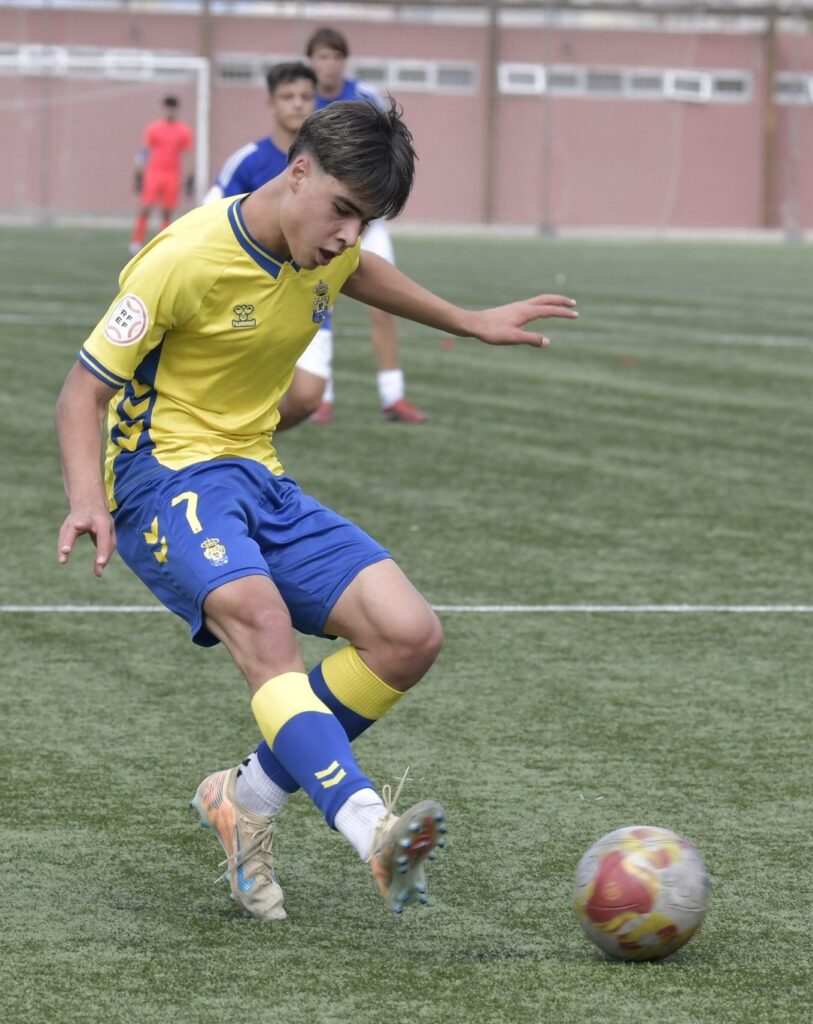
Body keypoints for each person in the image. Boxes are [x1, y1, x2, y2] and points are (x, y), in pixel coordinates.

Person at [56, 99, 578, 923]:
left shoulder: (327, 245)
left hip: (259, 475)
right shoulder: (182, 258)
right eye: (341, 210)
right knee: (265, 625)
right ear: (296, 172)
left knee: (409, 634)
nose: (347, 237)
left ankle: (245, 799)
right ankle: (373, 832)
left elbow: (355, 272)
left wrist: (468, 321)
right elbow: (81, 391)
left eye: (364, 221)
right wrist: (89, 499)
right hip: (166, 479)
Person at [305, 25, 427, 425]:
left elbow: (390, 155)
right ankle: (320, 397)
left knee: (384, 303)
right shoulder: (304, 102)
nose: (329, 64)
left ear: (345, 61)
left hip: (368, 222)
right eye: (322, 56)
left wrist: (370, 216)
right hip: (321, 224)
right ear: (311, 61)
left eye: (335, 56)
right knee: (317, 304)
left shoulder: (364, 97)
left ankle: (393, 396)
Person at [202, 61, 328, 430]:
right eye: (288, 96)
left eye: (305, 96)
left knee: (307, 398)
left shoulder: (330, 165)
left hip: (308, 293)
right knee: (228, 391)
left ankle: (247, 437)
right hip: (247, 295)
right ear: (270, 102)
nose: (297, 103)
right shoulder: (248, 161)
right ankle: (227, 443)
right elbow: (209, 219)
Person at [130, 95, 194, 255]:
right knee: (145, 208)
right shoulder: (154, 128)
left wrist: (190, 178)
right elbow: (144, 151)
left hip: (172, 176)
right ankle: (136, 242)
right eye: (167, 109)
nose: (170, 112)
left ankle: (164, 244)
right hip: (153, 174)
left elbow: (189, 154)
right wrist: (138, 174)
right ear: (164, 109)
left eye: (172, 109)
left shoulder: (184, 131)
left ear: (176, 110)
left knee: (167, 211)